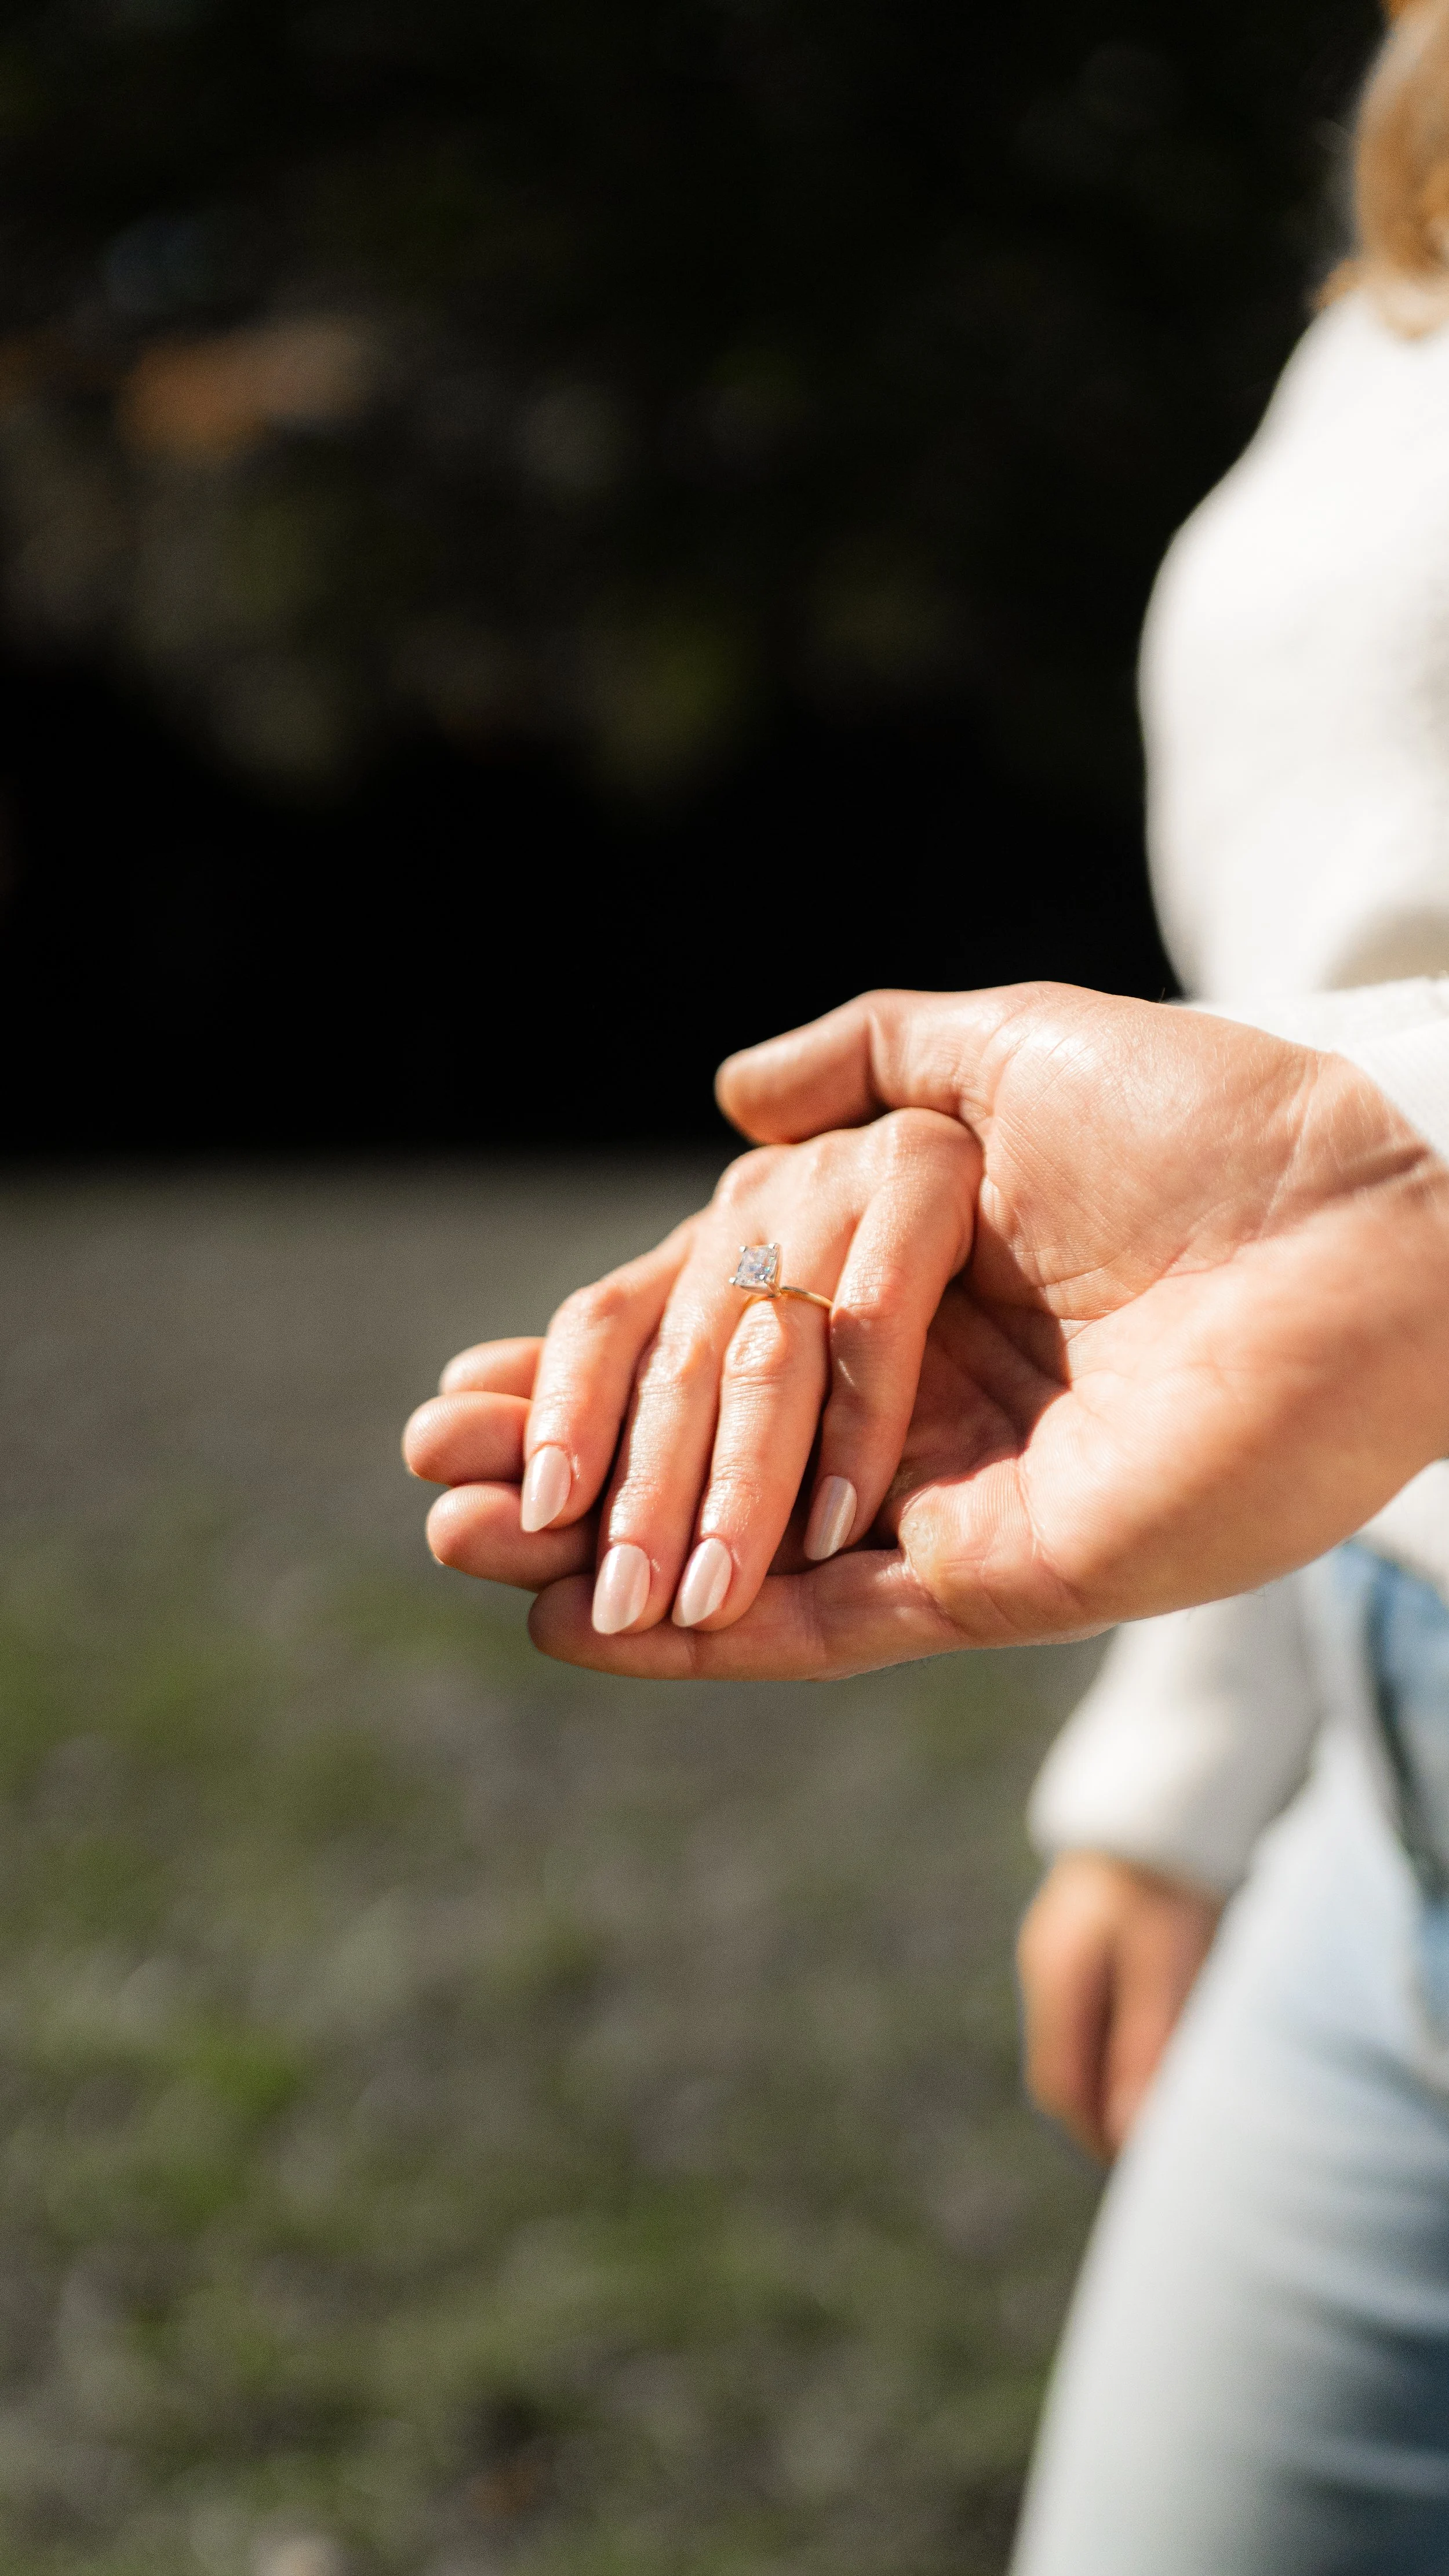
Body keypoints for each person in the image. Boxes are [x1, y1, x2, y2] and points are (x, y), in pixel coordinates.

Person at [405, 2, 1449, 2562]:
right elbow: (1316, 1002)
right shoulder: (1399, 228)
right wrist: (1183, 1772)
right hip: (1398, 1778)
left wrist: (1404, 1177)